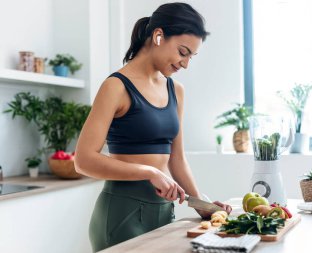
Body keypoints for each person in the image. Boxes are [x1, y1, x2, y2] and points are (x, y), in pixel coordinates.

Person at [74, 2, 232, 252]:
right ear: (158, 36)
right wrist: (149, 171)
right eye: (182, 52)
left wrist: (201, 203)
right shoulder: (116, 87)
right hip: (120, 215)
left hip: (163, 214)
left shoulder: (176, 91)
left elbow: (177, 160)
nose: (185, 64)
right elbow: (83, 160)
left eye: (191, 56)